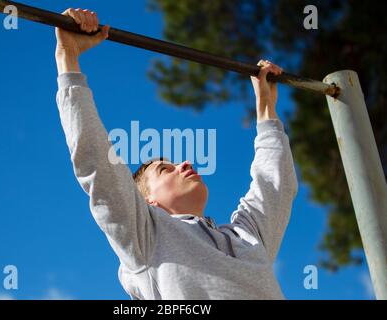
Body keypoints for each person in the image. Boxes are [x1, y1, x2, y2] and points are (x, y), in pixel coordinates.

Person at [55, 8, 298, 300]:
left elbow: (275, 185)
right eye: (164, 169)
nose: (184, 164)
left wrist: (267, 110)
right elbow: (96, 163)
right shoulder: (147, 238)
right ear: (149, 202)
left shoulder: (247, 237)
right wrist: (68, 58)